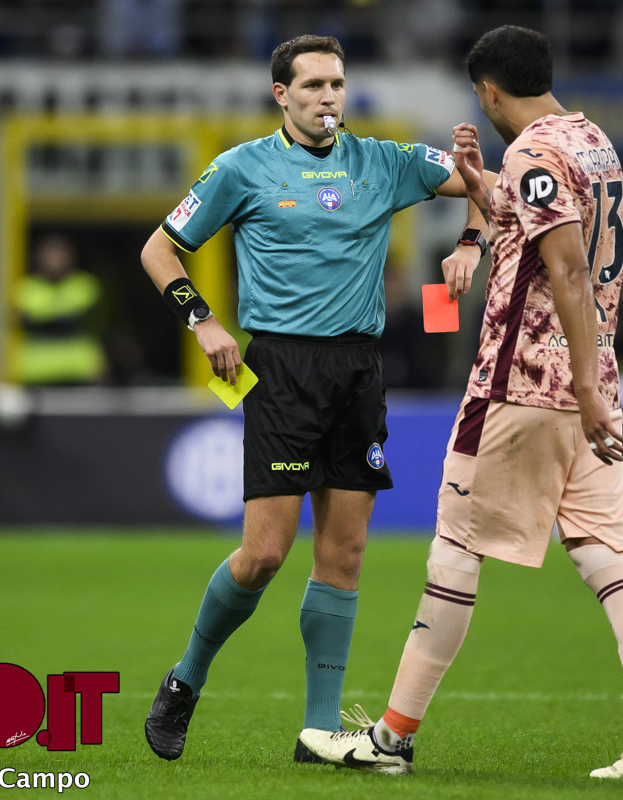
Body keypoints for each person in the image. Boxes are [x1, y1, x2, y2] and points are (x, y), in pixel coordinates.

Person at [297, 25, 623, 779]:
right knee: (602, 550)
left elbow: (567, 271)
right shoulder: (591, 141)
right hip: (593, 381)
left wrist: (573, 379)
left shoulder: (536, 154)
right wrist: (482, 193)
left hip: (523, 387)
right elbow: (548, 238)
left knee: (455, 548)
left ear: (488, 91)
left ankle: (392, 739)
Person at [140, 34, 494, 763]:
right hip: (281, 370)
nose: (328, 96)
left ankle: (320, 729)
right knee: (264, 554)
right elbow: (157, 250)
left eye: (336, 83)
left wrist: (469, 240)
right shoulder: (241, 168)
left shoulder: (384, 161)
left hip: (359, 369)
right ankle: (185, 678)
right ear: (282, 95)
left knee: (346, 552)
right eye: (312, 86)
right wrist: (202, 322)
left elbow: (481, 184)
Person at [14, 235, 107, 385]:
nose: (55, 260)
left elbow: (94, 322)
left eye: (60, 254)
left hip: (80, 370)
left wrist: (44, 317)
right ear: (38, 257)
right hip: (35, 372)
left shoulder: (85, 285)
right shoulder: (25, 289)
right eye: (50, 254)